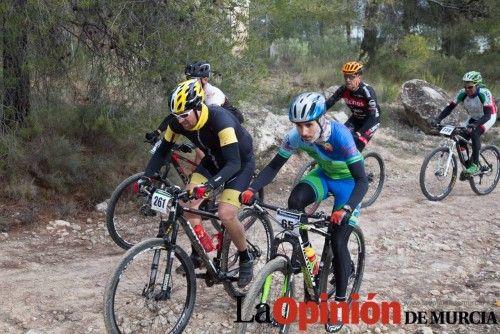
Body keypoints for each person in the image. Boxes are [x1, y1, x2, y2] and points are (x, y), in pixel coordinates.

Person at [240, 92, 368, 332]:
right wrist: (252, 188)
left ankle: (340, 305)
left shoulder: (340, 136)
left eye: (309, 124)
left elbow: (362, 181)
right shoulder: (295, 137)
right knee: (295, 199)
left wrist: (347, 208)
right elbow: (274, 167)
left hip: (349, 184)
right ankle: (307, 253)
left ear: (322, 119)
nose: (304, 132)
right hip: (324, 176)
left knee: (339, 241)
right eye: (298, 126)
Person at [142, 79, 255, 287]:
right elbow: (162, 151)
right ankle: (200, 252)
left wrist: (210, 186)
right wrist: (146, 177)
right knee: (187, 204)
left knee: (226, 214)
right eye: (176, 115)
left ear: (197, 107)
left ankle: (245, 256)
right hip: (212, 161)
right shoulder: (177, 123)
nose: (180, 120)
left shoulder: (220, 120)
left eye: (184, 115)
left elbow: (233, 162)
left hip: (239, 164)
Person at [145, 62, 244, 166]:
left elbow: (213, 120)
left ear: (205, 79)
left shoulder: (212, 94)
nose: (191, 82)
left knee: (204, 155)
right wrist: (157, 131)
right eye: (189, 78)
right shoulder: (192, 93)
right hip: (209, 126)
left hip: (230, 122)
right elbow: (176, 114)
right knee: (195, 167)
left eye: (194, 79)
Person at [434, 71, 497, 176]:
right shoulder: (462, 93)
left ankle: (475, 165)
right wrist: (438, 119)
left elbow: (487, 115)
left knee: (474, 132)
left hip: (488, 116)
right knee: (461, 142)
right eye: (465, 87)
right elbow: (449, 108)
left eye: (470, 87)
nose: (467, 90)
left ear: (477, 85)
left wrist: (475, 125)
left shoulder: (484, 93)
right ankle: (468, 168)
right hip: (473, 117)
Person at [325, 61, 381, 152]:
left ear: (359, 77)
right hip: (356, 118)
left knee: (355, 150)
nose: (347, 80)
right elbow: (329, 103)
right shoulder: (343, 89)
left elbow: (373, 116)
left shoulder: (367, 91)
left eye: (351, 77)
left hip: (371, 121)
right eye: (346, 76)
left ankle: (357, 164)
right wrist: (316, 114)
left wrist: (360, 133)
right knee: (339, 139)